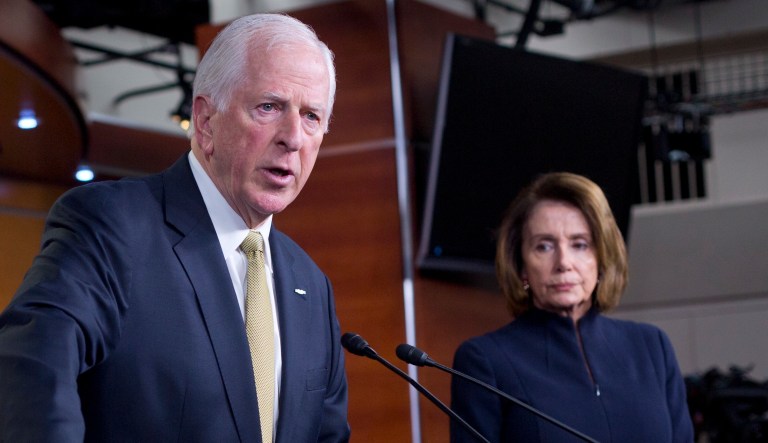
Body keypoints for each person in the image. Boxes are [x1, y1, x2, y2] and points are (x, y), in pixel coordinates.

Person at [0, 13, 349, 442]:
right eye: (269, 107)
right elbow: (32, 369)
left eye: (312, 116)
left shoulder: (311, 285)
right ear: (205, 122)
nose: (293, 136)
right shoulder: (114, 226)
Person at [450, 172, 693, 442]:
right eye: (543, 246)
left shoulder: (651, 347)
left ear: (601, 258)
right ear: (521, 266)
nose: (564, 262)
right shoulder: (485, 361)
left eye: (580, 245)